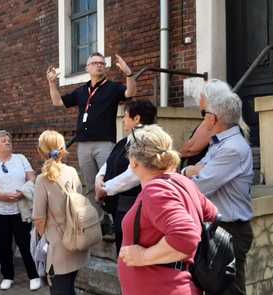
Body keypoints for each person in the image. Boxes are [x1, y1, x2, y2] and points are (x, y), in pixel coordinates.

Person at [116, 125, 218, 295]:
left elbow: (185, 236)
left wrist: (144, 256)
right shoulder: (182, 182)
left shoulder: (155, 191)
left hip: (164, 287)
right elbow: (212, 214)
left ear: (134, 162)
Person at [46, 52, 136, 239]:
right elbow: (57, 102)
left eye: (102, 63)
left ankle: (112, 220)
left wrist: (128, 74)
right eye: (94, 63)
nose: (99, 66)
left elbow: (130, 93)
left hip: (105, 143)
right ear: (87, 68)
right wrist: (52, 83)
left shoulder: (112, 88)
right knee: (89, 185)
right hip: (84, 145)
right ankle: (99, 221)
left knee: (108, 181)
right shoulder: (82, 91)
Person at [183, 82, 254, 295]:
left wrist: (189, 172)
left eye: (205, 114)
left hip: (231, 230)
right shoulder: (219, 143)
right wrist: (191, 171)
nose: (203, 119)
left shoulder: (231, 148)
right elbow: (195, 170)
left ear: (213, 118)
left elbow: (199, 186)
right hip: (218, 228)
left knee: (229, 291)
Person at [0, 130, 41, 291]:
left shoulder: (20, 159)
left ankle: (33, 275)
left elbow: (32, 177)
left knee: (25, 243)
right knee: (3, 244)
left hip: (20, 209)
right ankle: (8, 276)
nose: (7, 142)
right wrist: (2, 196)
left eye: (9, 139)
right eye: (3, 140)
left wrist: (23, 192)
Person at [95, 99, 157, 254]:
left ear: (137, 119)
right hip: (119, 207)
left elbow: (135, 174)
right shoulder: (125, 141)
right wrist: (99, 178)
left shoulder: (144, 140)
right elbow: (109, 162)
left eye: (126, 116)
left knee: (129, 250)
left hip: (133, 206)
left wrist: (106, 189)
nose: (123, 119)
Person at [33, 130, 89, 295]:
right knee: (69, 287)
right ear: (62, 149)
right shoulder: (71, 171)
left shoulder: (42, 179)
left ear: (40, 151)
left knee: (59, 290)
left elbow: (38, 218)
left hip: (56, 246)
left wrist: (46, 238)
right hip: (76, 239)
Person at [180, 80, 250, 167]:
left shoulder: (213, 120)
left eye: (201, 97)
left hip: (203, 174)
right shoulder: (232, 122)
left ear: (208, 97)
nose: (199, 101)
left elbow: (190, 149)